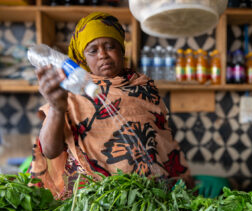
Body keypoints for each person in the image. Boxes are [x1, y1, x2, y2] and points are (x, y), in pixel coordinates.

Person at [30, 12, 193, 199]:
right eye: (93, 50)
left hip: (149, 200)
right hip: (95, 204)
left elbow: (163, 145)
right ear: (82, 57)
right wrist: (57, 108)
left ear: (122, 50)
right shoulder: (69, 93)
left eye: (110, 46)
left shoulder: (144, 88)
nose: (103, 55)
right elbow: (50, 151)